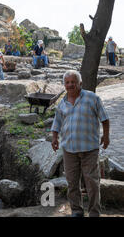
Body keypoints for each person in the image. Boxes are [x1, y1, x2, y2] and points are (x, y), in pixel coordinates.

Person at [51, 70, 110, 217]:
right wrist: (54, 138)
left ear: (80, 83)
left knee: (92, 183)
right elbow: (57, 123)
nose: (70, 85)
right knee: (72, 183)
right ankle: (77, 211)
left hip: (89, 149)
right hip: (69, 149)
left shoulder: (92, 98)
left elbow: (105, 118)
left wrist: (106, 136)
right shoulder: (62, 103)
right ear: (64, 84)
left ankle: (94, 212)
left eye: (73, 82)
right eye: (67, 82)